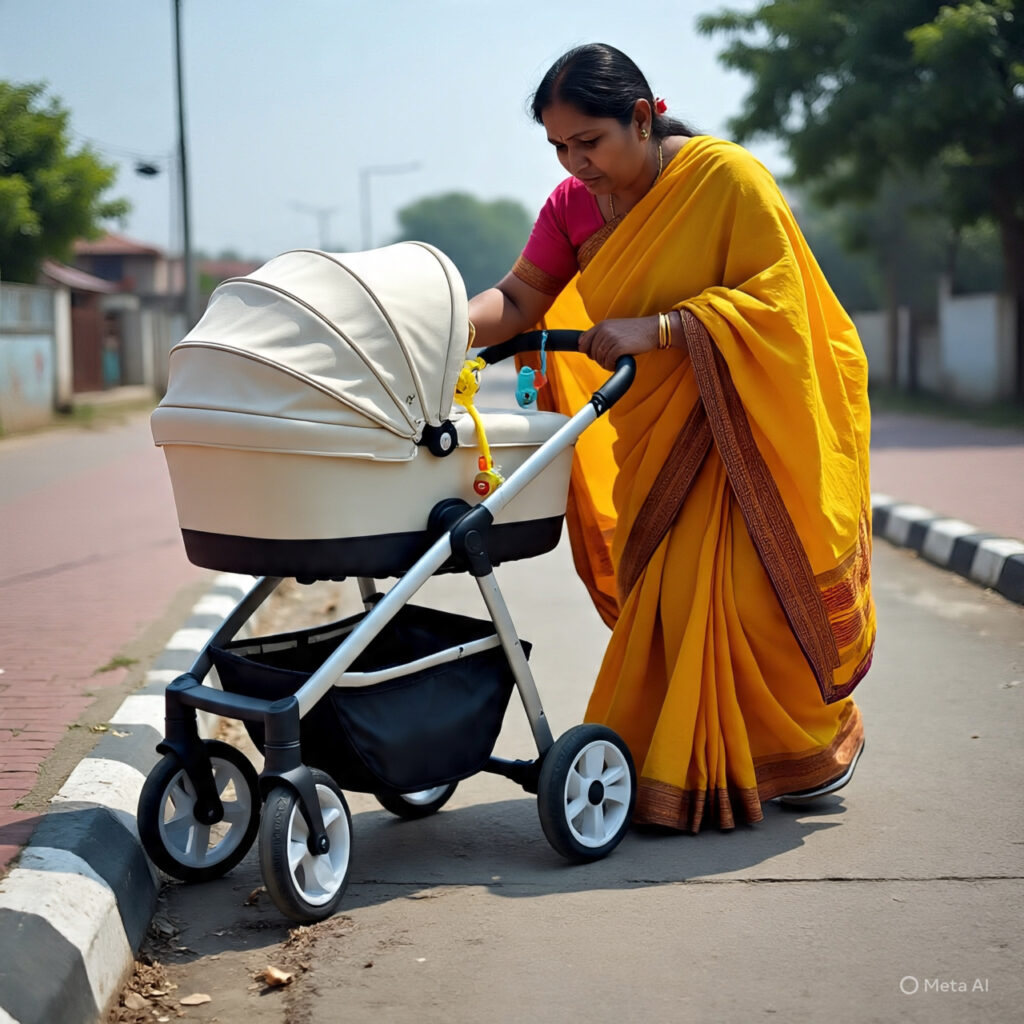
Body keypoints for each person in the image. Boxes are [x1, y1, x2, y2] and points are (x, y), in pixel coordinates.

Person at [467, 43, 875, 833]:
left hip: (744, 428)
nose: (574, 161)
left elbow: (781, 305)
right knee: (673, 599)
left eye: (590, 141)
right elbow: (520, 299)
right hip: (649, 434)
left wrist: (661, 328)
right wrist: (443, 326)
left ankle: (806, 748)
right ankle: (680, 759)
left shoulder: (724, 181)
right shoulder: (571, 207)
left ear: (644, 117)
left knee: (747, 600)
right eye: (558, 146)